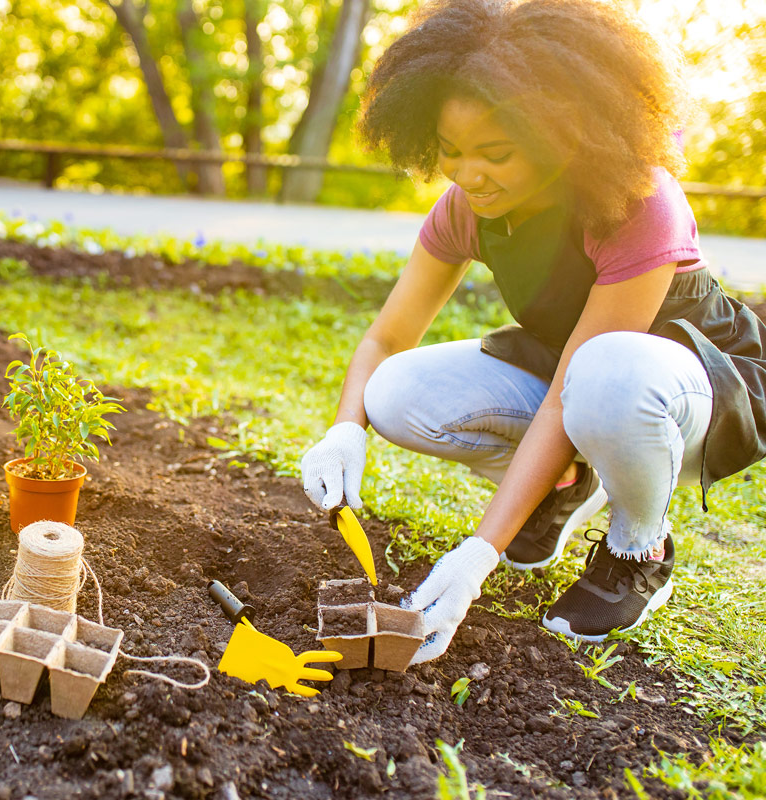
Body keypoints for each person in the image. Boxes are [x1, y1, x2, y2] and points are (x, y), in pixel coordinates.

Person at [299, 0, 766, 664]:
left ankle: (640, 545)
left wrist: (476, 557)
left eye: (496, 152)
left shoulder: (638, 204)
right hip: (578, 377)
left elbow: (576, 389)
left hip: (695, 388)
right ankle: (565, 485)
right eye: (451, 149)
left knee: (607, 378)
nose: (468, 174)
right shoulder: (467, 209)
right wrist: (346, 428)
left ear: (562, 134)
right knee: (393, 394)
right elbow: (385, 341)